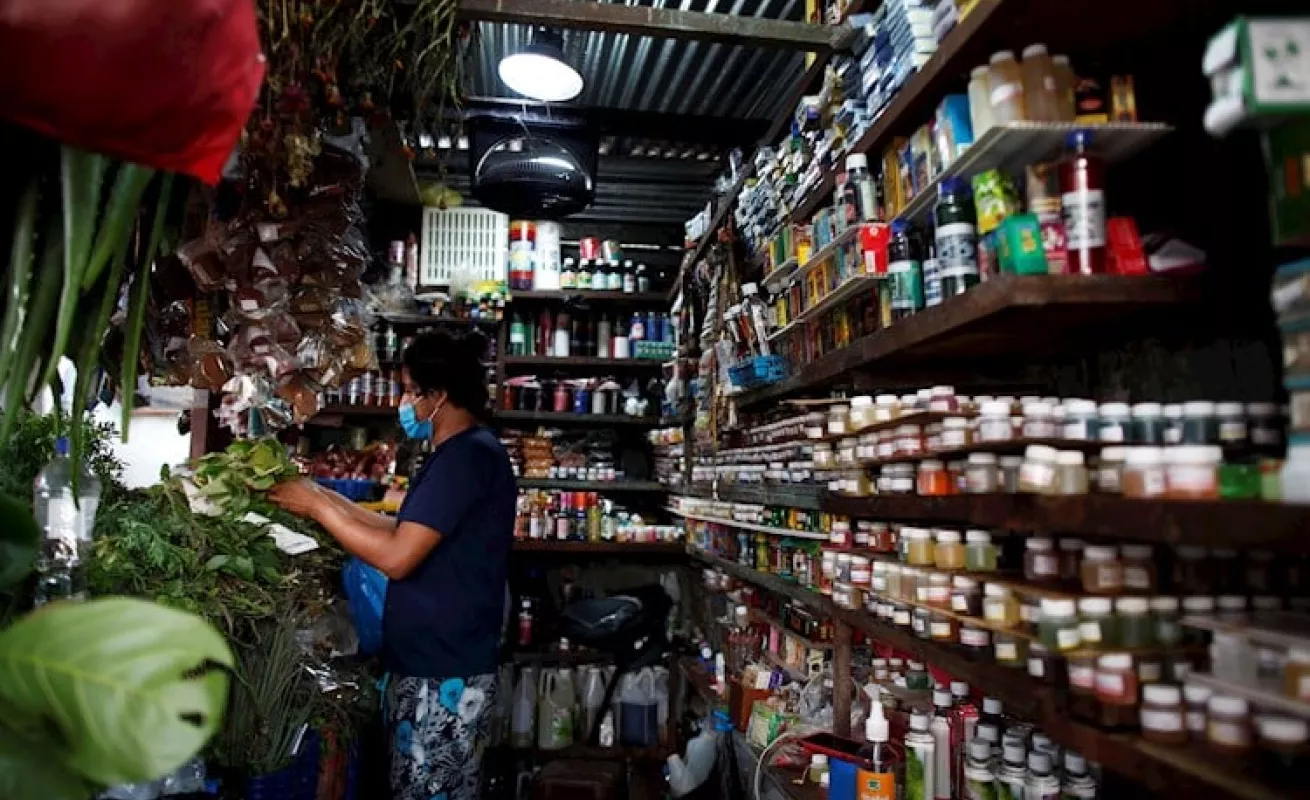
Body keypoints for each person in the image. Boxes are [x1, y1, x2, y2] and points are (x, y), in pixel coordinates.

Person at [270, 328, 516, 800]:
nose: (404, 403)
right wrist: (323, 497)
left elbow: (399, 558)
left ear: (439, 396)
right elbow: (400, 530)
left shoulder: (467, 458)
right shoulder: (456, 455)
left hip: (444, 675)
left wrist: (319, 509)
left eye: (410, 391)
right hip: (430, 666)